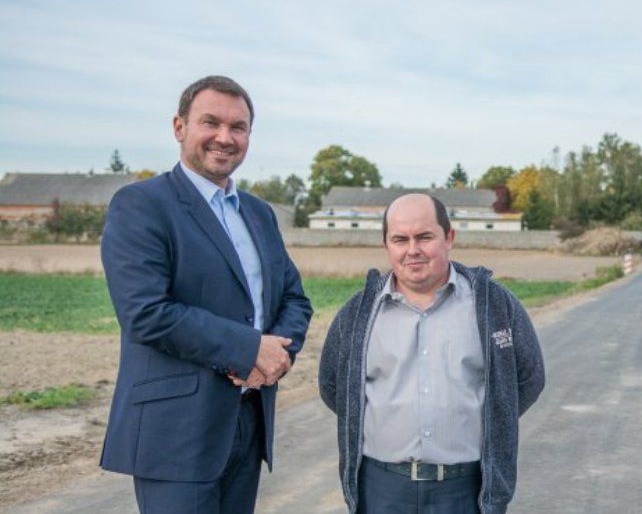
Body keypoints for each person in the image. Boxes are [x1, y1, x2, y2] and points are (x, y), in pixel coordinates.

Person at [99, 75, 313, 513]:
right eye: (211, 122)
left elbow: (295, 299)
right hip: (176, 433)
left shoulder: (259, 213)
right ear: (179, 127)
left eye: (238, 127)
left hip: (248, 420)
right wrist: (249, 349)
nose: (225, 137)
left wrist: (275, 359)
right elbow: (146, 313)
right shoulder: (141, 204)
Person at [319, 193, 545, 514]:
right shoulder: (358, 312)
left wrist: (495, 418)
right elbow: (332, 386)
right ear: (386, 244)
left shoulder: (494, 305)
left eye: (424, 237)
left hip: (466, 490)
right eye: (400, 239)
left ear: (449, 237)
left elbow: (530, 377)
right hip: (381, 490)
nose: (412, 250)